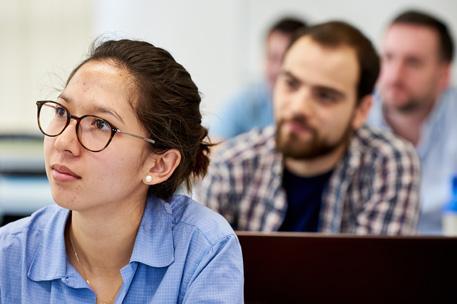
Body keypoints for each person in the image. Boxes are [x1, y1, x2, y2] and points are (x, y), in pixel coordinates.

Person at [0, 39, 243, 303]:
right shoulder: (9, 253)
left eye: (101, 125)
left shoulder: (203, 249)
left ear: (158, 164)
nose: (63, 142)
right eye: (61, 111)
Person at [195, 21, 420, 234]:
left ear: (361, 111)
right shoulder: (232, 164)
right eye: (291, 83)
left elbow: (373, 273)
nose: (299, 106)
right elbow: (202, 271)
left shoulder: (388, 163)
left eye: (325, 96)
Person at [368, 10, 457, 234]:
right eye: (388, 58)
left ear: (443, 74)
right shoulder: (352, 118)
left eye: (413, 63)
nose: (394, 76)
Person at [211, 16, 307, 139]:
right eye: (272, 58)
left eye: (286, 60)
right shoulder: (244, 103)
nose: (277, 69)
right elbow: (213, 148)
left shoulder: (313, 110)